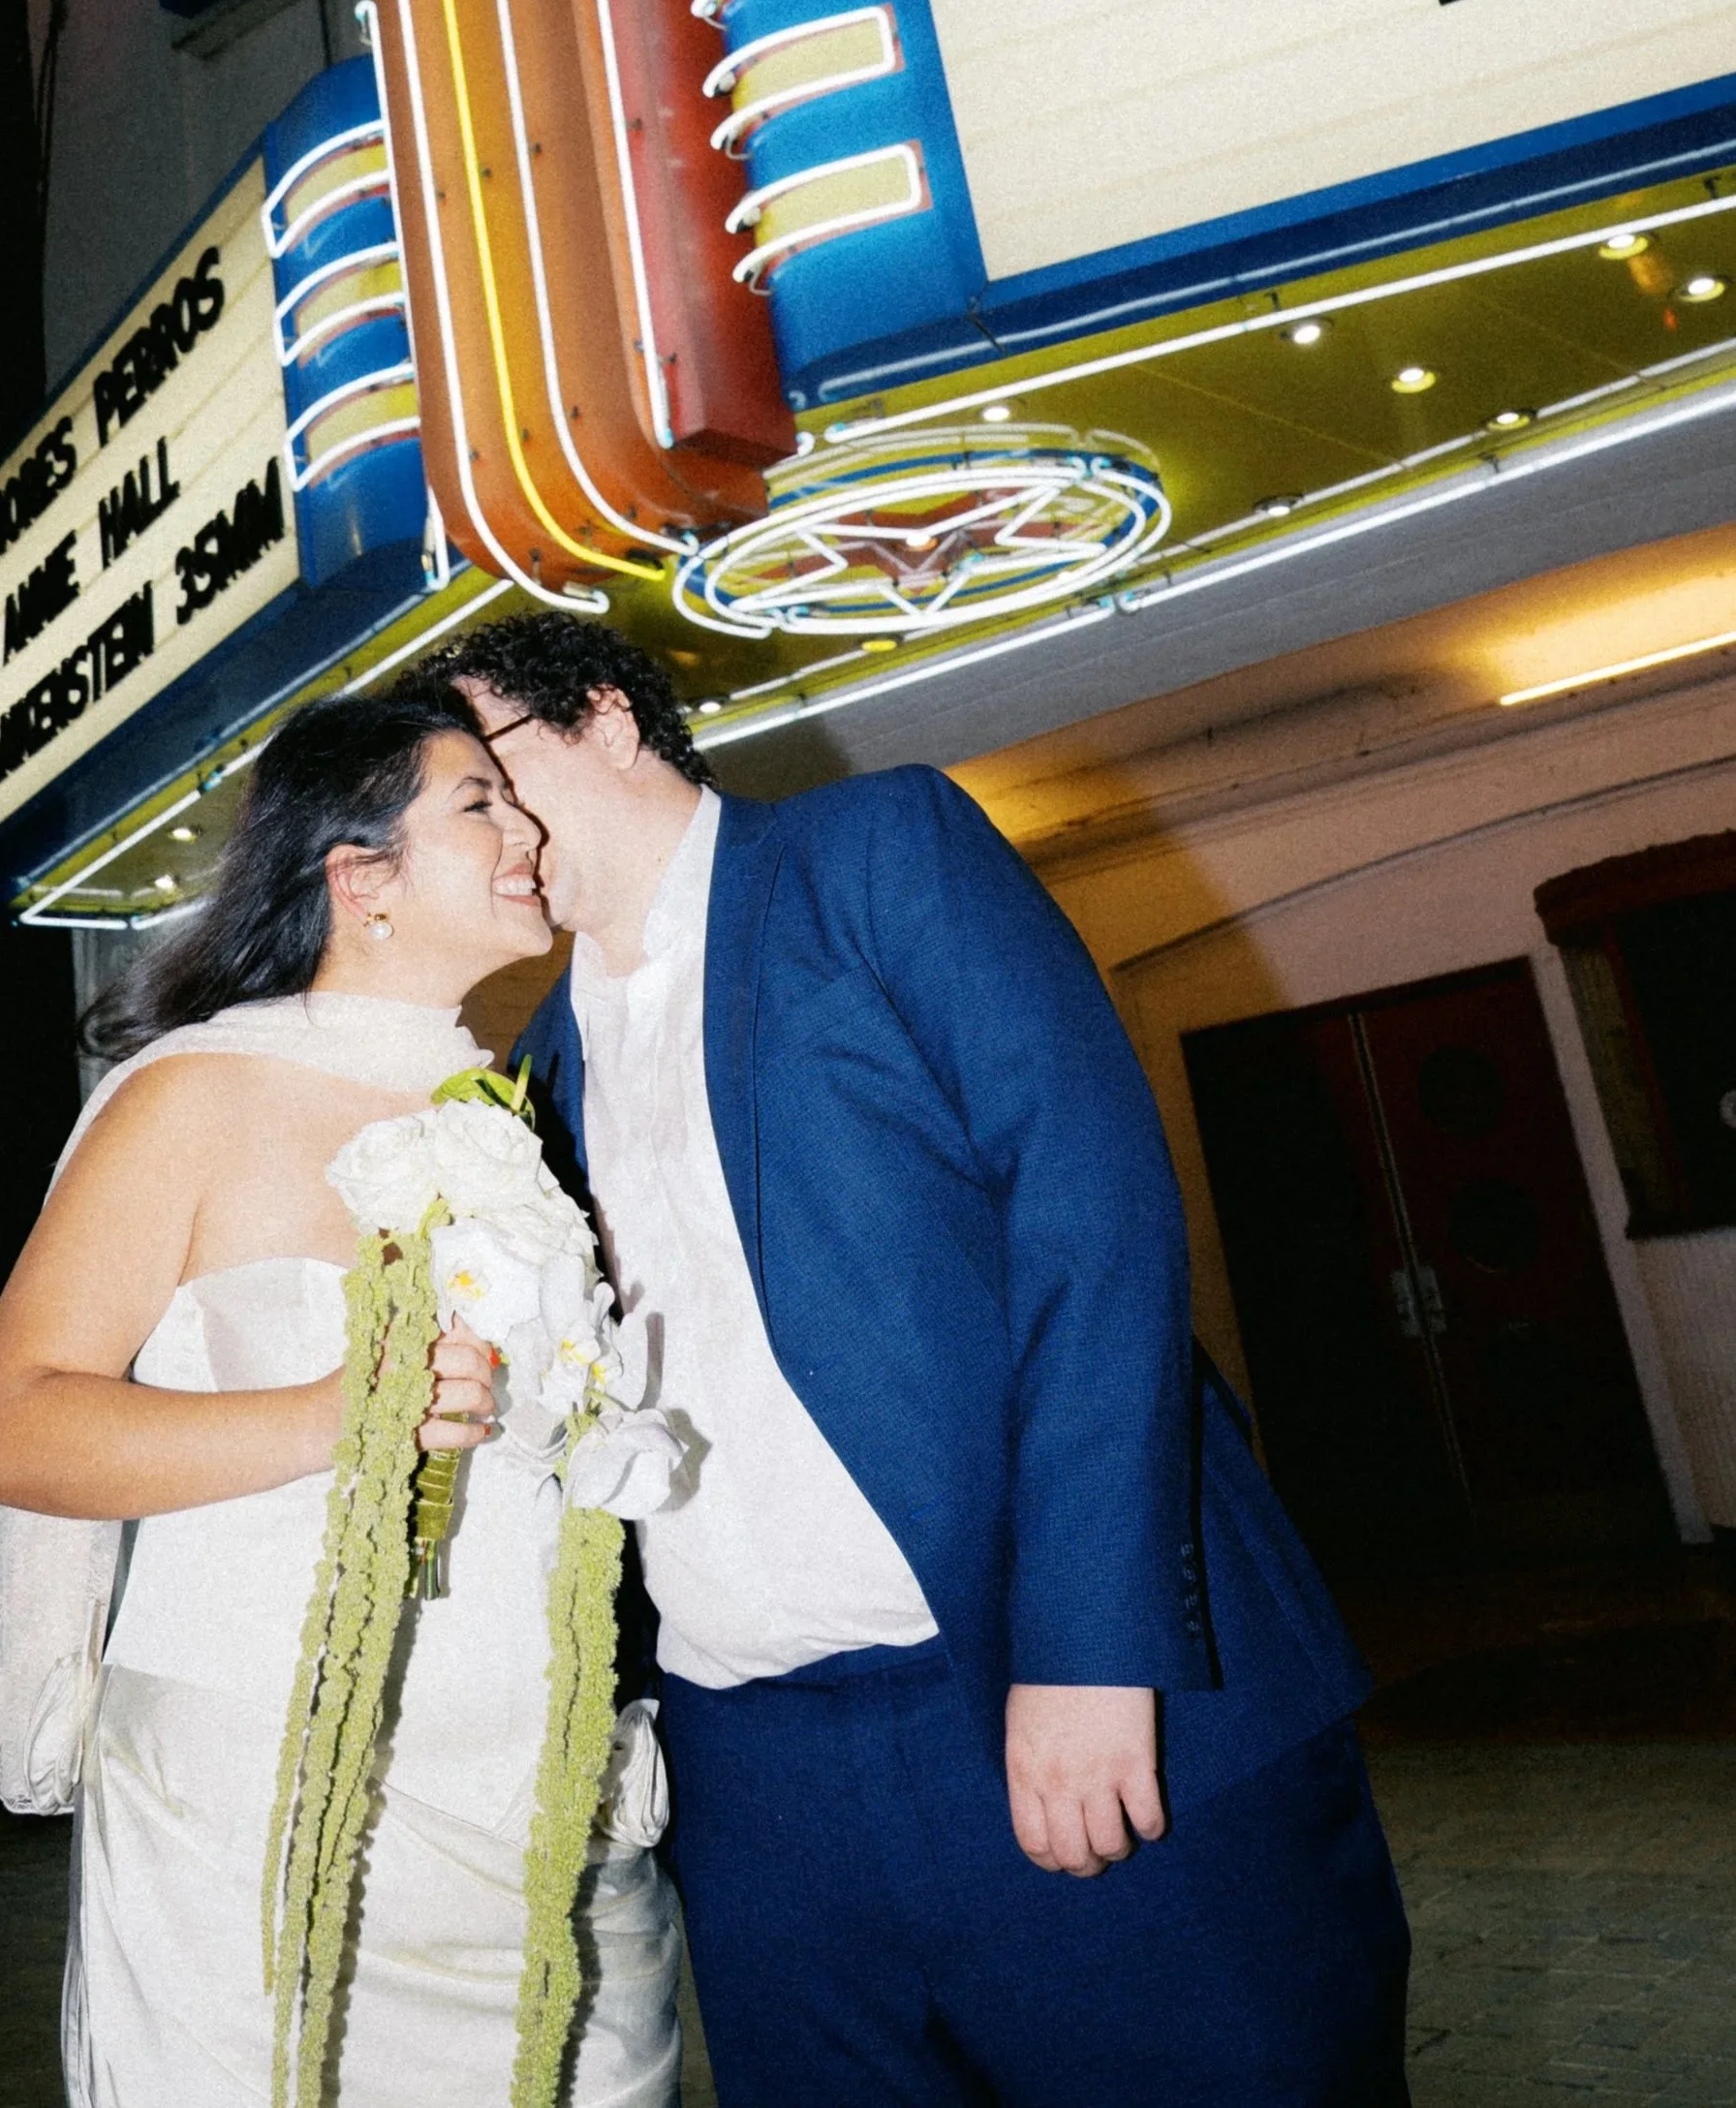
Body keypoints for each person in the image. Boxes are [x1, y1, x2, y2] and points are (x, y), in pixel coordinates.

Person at [422, 617, 1411, 2108]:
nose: (487, 825)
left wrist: (1085, 1648)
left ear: (611, 720)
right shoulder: (533, 1073)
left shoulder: (874, 853)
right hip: (751, 1786)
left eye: (491, 771)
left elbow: (1093, 1217)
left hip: (1049, 1690)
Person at [0, 685, 682, 2107]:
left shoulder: (502, 1117)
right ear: (361, 877)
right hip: (265, 1809)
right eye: (479, 801)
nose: (525, 824)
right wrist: (332, 1415)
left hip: (525, 1804)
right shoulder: (196, 1093)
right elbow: (10, 1428)